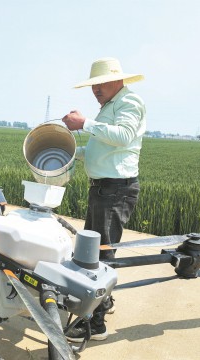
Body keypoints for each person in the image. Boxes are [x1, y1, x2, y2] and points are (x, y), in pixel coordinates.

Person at [61, 57, 146, 342]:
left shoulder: (129, 102)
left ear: (118, 80)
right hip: (102, 189)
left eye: (101, 84)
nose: (96, 89)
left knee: (100, 258)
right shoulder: (109, 107)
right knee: (90, 252)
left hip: (115, 190)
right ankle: (103, 303)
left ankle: (94, 325)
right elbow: (104, 148)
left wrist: (84, 123)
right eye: (93, 85)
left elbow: (123, 136)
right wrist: (74, 151)